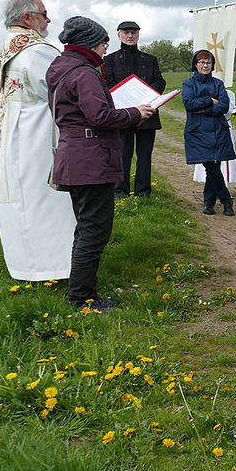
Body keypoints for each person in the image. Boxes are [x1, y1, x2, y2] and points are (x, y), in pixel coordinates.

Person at [46, 16, 154, 309]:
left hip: (74, 156)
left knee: (85, 228)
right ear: (89, 43)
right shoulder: (84, 73)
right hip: (91, 160)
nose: (107, 46)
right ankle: (82, 297)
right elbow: (100, 116)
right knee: (94, 230)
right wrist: (134, 114)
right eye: (104, 41)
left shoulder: (60, 69)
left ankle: (80, 288)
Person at [0, 0, 76, 281]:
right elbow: (63, 90)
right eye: (44, 14)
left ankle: (25, 265)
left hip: (11, 133)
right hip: (36, 137)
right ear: (28, 18)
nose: (48, 20)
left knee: (21, 202)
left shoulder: (8, 46)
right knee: (44, 200)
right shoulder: (37, 50)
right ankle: (55, 266)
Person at [104, 20, 165, 198]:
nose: (130, 36)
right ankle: (120, 191)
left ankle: (143, 191)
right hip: (123, 114)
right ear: (119, 35)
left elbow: (160, 81)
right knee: (122, 155)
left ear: (138, 34)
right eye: (126, 32)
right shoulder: (109, 59)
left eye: (134, 32)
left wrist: (145, 97)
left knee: (144, 156)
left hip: (147, 113)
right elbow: (107, 84)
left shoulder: (150, 59)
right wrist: (127, 100)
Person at [181, 50, 235, 216]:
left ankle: (209, 203)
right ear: (195, 65)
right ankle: (226, 200)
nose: (205, 65)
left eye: (208, 62)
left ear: (212, 65)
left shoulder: (218, 84)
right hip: (197, 131)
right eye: (202, 62)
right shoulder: (188, 83)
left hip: (218, 130)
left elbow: (224, 105)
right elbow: (189, 103)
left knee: (213, 167)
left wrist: (203, 109)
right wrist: (210, 101)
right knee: (210, 167)